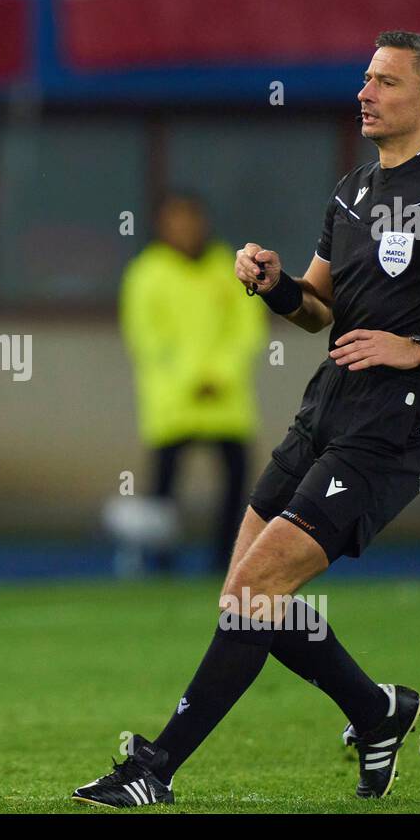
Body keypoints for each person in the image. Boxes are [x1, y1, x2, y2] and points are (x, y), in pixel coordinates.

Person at [72, 30, 420, 807]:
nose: (365, 91)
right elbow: (318, 312)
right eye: (365, 78)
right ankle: (376, 711)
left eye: (386, 81)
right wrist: (275, 283)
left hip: (397, 423)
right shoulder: (353, 190)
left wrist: (417, 345)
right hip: (324, 405)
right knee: (244, 595)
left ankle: (155, 768)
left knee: (257, 587)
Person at [119, 192, 266, 571]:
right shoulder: (146, 273)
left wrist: (219, 374)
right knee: (164, 489)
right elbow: (146, 338)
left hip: (225, 399)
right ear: (161, 226)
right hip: (173, 401)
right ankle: (161, 563)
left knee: (237, 484)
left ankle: (227, 561)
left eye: (189, 219)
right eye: (174, 221)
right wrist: (193, 378)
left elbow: (247, 329)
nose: (183, 228)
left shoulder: (229, 268)